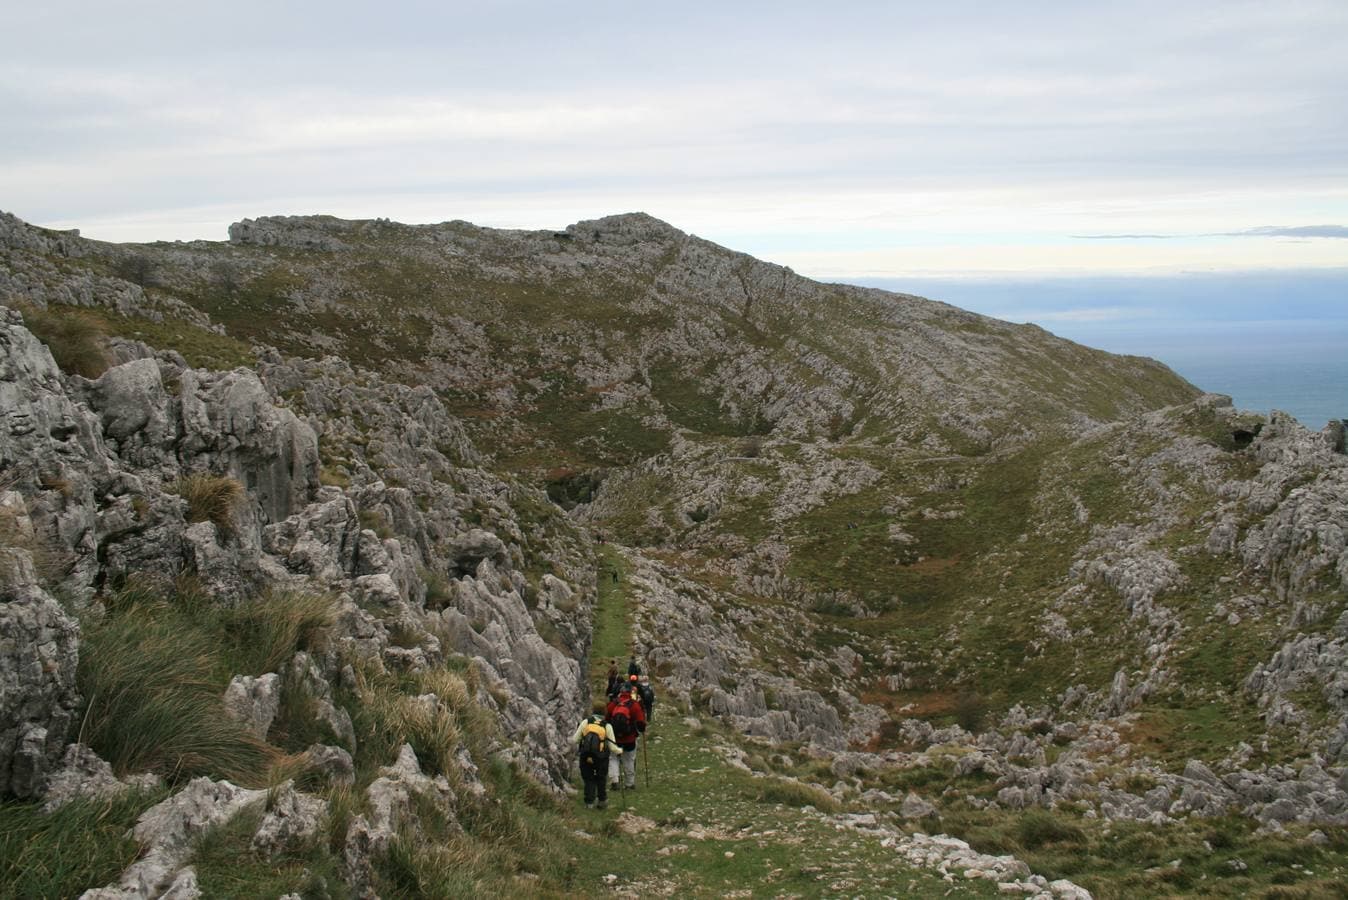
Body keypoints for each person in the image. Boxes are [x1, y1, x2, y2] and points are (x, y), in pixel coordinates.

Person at [573, 702, 620, 809]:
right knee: (601, 778)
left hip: (585, 756)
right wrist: (619, 751)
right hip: (601, 757)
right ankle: (602, 801)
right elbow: (612, 747)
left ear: (592, 710)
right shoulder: (607, 726)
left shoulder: (586, 722)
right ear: (605, 712)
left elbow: (575, 739)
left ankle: (589, 803)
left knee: (589, 779)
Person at [606, 681, 647, 790]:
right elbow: (640, 722)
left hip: (614, 738)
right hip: (629, 738)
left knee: (613, 758)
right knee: (629, 759)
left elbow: (606, 719)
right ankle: (629, 784)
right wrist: (642, 729)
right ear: (630, 692)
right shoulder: (634, 705)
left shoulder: (614, 703)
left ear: (620, 691)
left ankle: (615, 781)